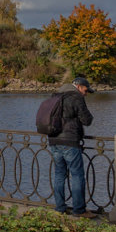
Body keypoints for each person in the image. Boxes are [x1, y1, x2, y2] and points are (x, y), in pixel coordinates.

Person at [48, 76, 96, 217]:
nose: (86, 94)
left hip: (54, 139)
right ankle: (79, 210)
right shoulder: (76, 97)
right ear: (79, 86)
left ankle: (60, 208)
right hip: (69, 141)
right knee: (77, 175)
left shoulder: (55, 95)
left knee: (59, 174)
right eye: (86, 90)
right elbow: (86, 120)